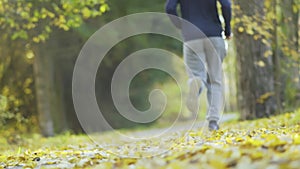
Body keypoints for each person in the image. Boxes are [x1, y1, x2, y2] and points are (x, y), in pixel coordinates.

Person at [165, 0, 232, 131]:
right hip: (214, 35)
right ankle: (213, 121)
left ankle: (196, 83)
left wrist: (182, 26)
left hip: (191, 37)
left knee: (197, 75)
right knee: (215, 80)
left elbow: (170, 8)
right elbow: (226, 5)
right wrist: (227, 30)